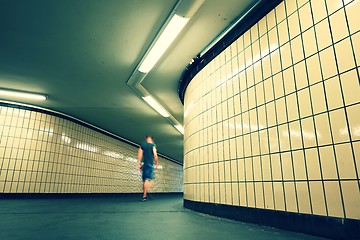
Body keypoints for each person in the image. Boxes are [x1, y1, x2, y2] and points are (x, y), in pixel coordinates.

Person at [137, 135, 158, 201]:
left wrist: (139, 164)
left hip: (144, 164)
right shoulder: (153, 145)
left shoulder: (142, 145)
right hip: (149, 164)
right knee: (148, 179)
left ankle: (145, 192)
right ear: (152, 139)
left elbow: (139, 155)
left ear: (146, 139)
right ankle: (145, 195)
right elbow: (155, 155)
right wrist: (156, 163)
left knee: (145, 179)